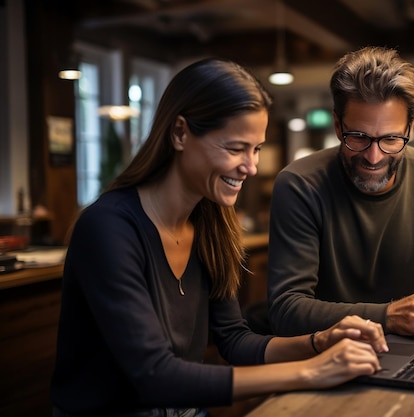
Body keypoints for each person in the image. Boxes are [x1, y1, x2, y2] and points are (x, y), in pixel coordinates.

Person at [50, 57, 388, 417]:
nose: (252, 166)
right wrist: (312, 371)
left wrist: (318, 341)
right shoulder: (107, 228)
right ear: (180, 133)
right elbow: (154, 376)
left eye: (256, 148)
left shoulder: (211, 223)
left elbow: (235, 340)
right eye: (235, 148)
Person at [266, 46, 414, 343]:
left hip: (402, 349)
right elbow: (286, 311)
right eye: (358, 137)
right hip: (322, 354)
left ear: (410, 127)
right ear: (337, 125)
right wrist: (387, 316)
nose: (374, 157)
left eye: (390, 138)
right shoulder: (299, 185)